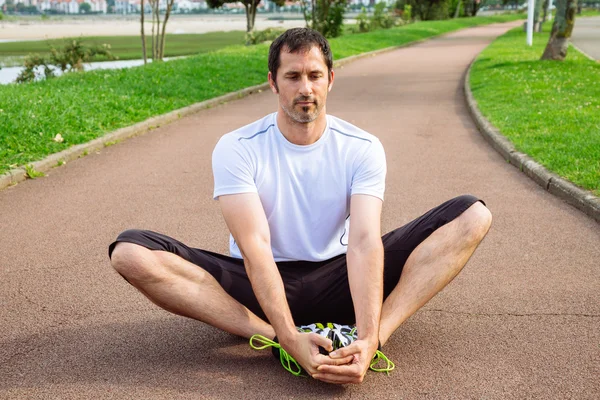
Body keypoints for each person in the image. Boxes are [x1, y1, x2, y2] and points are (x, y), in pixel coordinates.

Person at [108, 28, 492, 385]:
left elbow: (363, 242)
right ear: (273, 82)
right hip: (258, 282)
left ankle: (372, 338)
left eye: (314, 75)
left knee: (473, 215)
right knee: (130, 253)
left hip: (338, 276)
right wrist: (289, 336)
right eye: (293, 77)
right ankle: (272, 337)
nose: (305, 88)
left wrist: (371, 334)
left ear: (330, 79)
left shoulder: (362, 147)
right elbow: (256, 246)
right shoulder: (237, 147)